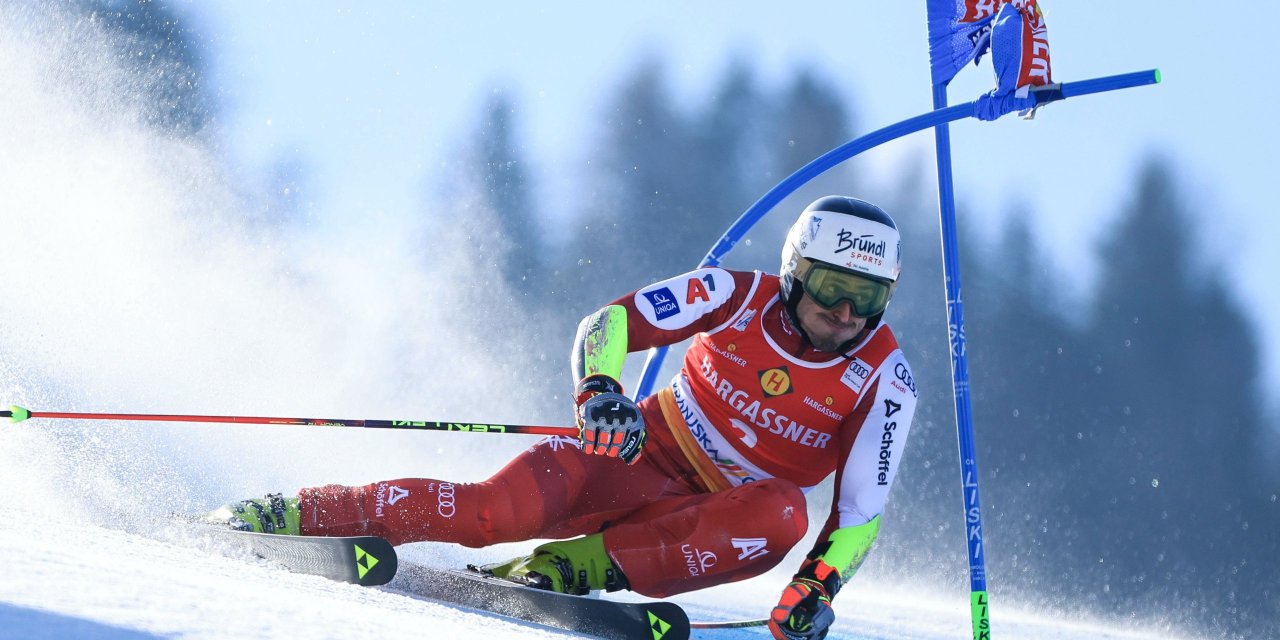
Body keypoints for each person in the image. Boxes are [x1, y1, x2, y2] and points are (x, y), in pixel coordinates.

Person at [208, 195, 918, 640]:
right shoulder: (731, 295)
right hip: (630, 458)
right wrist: (600, 390)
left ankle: (561, 572)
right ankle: (289, 513)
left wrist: (816, 589)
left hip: (711, 519)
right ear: (796, 271)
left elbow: (858, 514)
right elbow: (609, 321)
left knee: (785, 514)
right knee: (488, 512)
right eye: (831, 287)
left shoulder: (884, 379)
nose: (845, 313)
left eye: (868, 297)